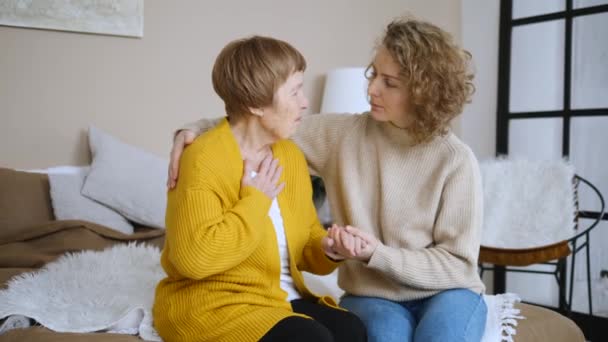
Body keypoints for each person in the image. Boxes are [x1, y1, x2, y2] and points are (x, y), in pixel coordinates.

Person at [169, 17, 487, 342]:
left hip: (447, 292)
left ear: (423, 92)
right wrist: (193, 129)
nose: (372, 88)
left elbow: (458, 264)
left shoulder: (455, 161)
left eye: (389, 82)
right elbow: (254, 121)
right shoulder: (343, 135)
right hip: (373, 295)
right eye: (373, 73)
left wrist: (376, 254)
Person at [153, 35, 367, 342]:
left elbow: (305, 239)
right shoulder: (203, 158)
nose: (305, 102)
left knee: (351, 330)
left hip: (275, 297)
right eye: (294, 92)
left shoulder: (289, 155)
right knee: (311, 339)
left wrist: (329, 249)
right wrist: (255, 200)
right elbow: (194, 259)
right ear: (255, 104)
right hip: (211, 303)